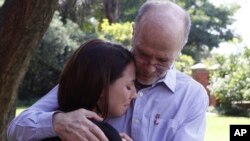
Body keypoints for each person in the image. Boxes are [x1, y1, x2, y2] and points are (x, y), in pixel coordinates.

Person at [8, 1, 209, 141]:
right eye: (143, 54)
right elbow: (16, 129)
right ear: (133, 32)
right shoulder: (102, 71)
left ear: (180, 50)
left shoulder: (191, 97)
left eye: (162, 60)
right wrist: (57, 122)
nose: (149, 66)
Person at [8, 39, 136, 141]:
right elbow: (15, 127)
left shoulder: (43, 135)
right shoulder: (104, 134)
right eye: (128, 87)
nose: (134, 95)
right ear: (102, 87)